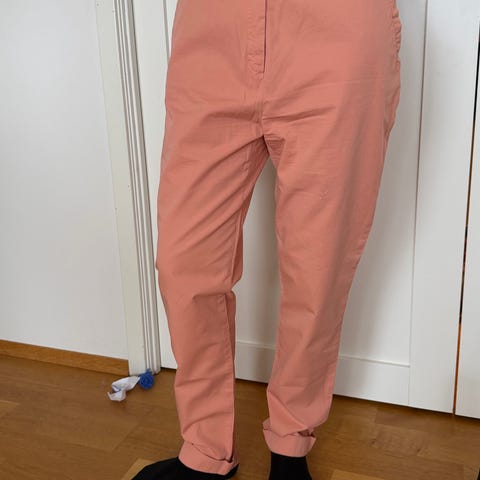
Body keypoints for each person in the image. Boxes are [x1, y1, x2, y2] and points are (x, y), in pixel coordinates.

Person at [133, 0, 402, 479]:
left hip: (336, 34)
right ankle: (206, 450)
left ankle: (290, 444)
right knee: (184, 264)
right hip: (213, 32)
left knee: (317, 269)